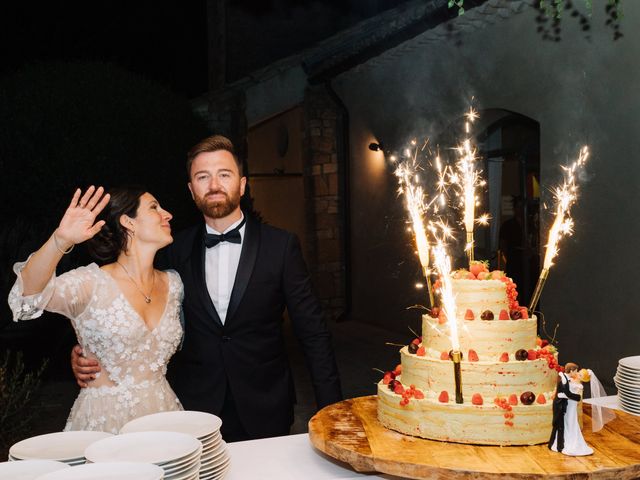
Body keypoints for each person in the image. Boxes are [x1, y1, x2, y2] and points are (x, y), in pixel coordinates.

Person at [72, 135, 343, 441]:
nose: (214, 184)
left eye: (224, 175)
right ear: (191, 189)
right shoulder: (170, 249)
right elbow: (132, 305)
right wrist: (92, 348)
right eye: (203, 177)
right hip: (192, 408)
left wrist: (333, 411)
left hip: (266, 405)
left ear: (242, 185)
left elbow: (313, 332)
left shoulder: (281, 246)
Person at [8, 186, 184, 434]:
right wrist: (61, 240)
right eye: (155, 207)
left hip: (163, 417)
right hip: (105, 424)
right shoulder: (91, 283)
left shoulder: (174, 285)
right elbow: (26, 299)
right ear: (128, 222)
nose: (167, 215)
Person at [549, 362, 593, 456]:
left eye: (579, 374)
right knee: (564, 423)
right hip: (566, 404)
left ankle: (569, 441)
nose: (577, 374)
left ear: (582, 378)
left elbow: (575, 395)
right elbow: (564, 391)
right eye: (577, 372)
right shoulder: (567, 379)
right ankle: (560, 442)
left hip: (571, 404)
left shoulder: (579, 385)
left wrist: (575, 397)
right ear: (572, 371)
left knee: (570, 421)